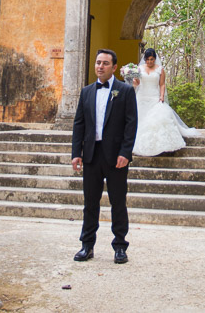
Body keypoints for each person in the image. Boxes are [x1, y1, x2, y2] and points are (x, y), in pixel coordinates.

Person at [71, 48, 138, 264]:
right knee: (90, 203)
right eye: (98, 62)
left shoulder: (125, 91)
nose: (100, 66)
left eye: (105, 63)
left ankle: (120, 246)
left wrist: (125, 153)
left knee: (118, 202)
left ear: (114, 67)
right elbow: (79, 124)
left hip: (116, 156)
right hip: (91, 155)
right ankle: (87, 245)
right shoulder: (86, 92)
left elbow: (131, 124)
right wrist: (76, 153)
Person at [131, 48, 200, 156]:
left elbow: (162, 84)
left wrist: (161, 96)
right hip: (141, 97)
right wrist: (135, 82)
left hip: (155, 97)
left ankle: (158, 145)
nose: (150, 62)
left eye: (152, 59)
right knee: (140, 120)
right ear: (144, 59)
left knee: (157, 120)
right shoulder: (139, 69)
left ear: (155, 59)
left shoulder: (160, 69)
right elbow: (136, 83)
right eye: (148, 59)